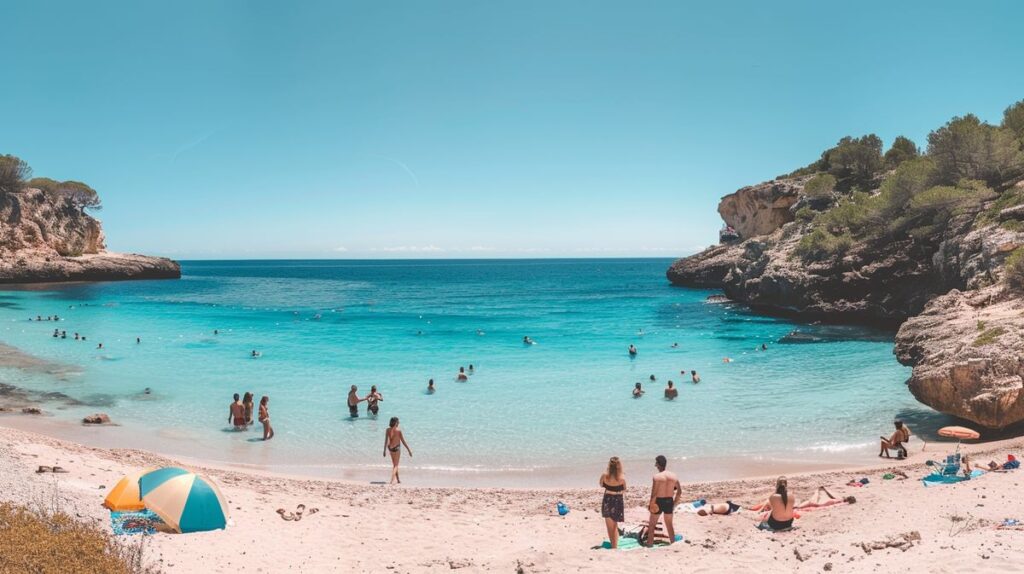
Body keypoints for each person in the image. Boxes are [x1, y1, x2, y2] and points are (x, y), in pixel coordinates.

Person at [646, 455, 682, 546]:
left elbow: (654, 494)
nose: (655, 465)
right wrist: (674, 503)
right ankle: (673, 543)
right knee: (669, 524)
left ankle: (649, 545)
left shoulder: (656, 477)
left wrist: (651, 505)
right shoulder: (673, 476)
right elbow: (679, 492)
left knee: (652, 525)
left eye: (656, 463)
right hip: (669, 501)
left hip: (659, 501)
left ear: (658, 464)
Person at [599, 457, 626, 549]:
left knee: (609, 525)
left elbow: (601, 484)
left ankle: (613, 546)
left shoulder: (604, 475)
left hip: (607, 499)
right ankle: (615, 545)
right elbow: (624, 489)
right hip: (617, 500)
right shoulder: (622, 478)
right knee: (614, 525)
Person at [384, 417, 412, 484]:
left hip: (390, 448)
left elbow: (386, 441)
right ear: (396, 422)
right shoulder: (399, 431)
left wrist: (384, 450)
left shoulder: (387, 430)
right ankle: (391, 481)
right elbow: (403, 441)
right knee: (396, 465)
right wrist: (409, 450)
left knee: (394, 465)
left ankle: (398, 480)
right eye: (398, 421)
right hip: (396, 449)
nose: (399, 423)